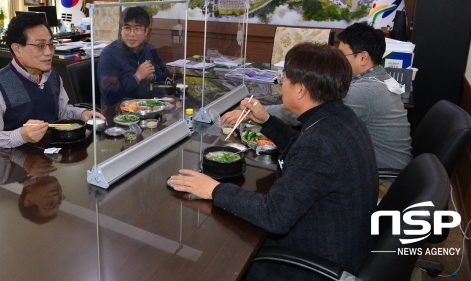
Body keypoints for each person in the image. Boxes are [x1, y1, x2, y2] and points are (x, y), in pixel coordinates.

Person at [171, 43, 378, 280]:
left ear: (300, 90)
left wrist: (214, 190)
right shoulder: (340, 118)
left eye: (284, 80)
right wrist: (267, 121)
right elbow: (302, 148)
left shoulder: (319, 144)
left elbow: (274, 216)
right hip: (346, 242)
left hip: (318, 262)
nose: (282, 86)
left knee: (220, 258)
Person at [222, 21, 412, 193]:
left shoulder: (364, 92)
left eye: (341, 54)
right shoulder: (378, 79)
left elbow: (304, 110)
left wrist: (256, 113)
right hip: (382, 169)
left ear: (363, 58)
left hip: (382, 180)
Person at [0, 12, 104, 152]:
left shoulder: (52, 75)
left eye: (51, 44)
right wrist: (20, 135)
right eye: (40, 46)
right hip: (16, 161)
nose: (49, 52)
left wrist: (81, 114)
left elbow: (62, 111)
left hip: (52, 154)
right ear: (17, 49)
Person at [97, 6, 170, 106]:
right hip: (119, 111)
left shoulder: (149, 48)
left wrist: (152, 77)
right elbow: (109, 96)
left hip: (148, 105)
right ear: (121, 30)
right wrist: (137, 76)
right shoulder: (109, 54)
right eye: (127, 28)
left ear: (146, 31)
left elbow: (166, 76)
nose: (132, 34)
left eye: (137, 28)